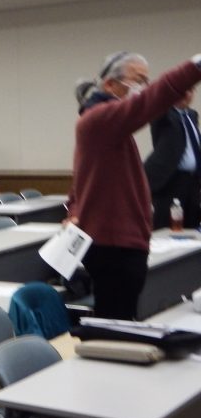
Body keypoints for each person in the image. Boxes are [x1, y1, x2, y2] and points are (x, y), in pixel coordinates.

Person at [70, 50, 201, 319]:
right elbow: (152, 99)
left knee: (119, 320)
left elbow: (84, 178)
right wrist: (195, 66)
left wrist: (74, 209)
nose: (144, 87)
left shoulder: (107, 126)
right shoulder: (98, 120)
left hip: (123, 244)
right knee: (114, 326)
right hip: (114, 247)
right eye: (138, 80)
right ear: (110, 84)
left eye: (146, 81)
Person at [144, 87, 201, 229]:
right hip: (169, 181)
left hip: (192, 182)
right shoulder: (163, 115)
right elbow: (155, 105)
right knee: (167, 227)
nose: (186, 94)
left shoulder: (192, 115)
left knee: (191, 226)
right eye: (182, 89)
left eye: (190, 90)